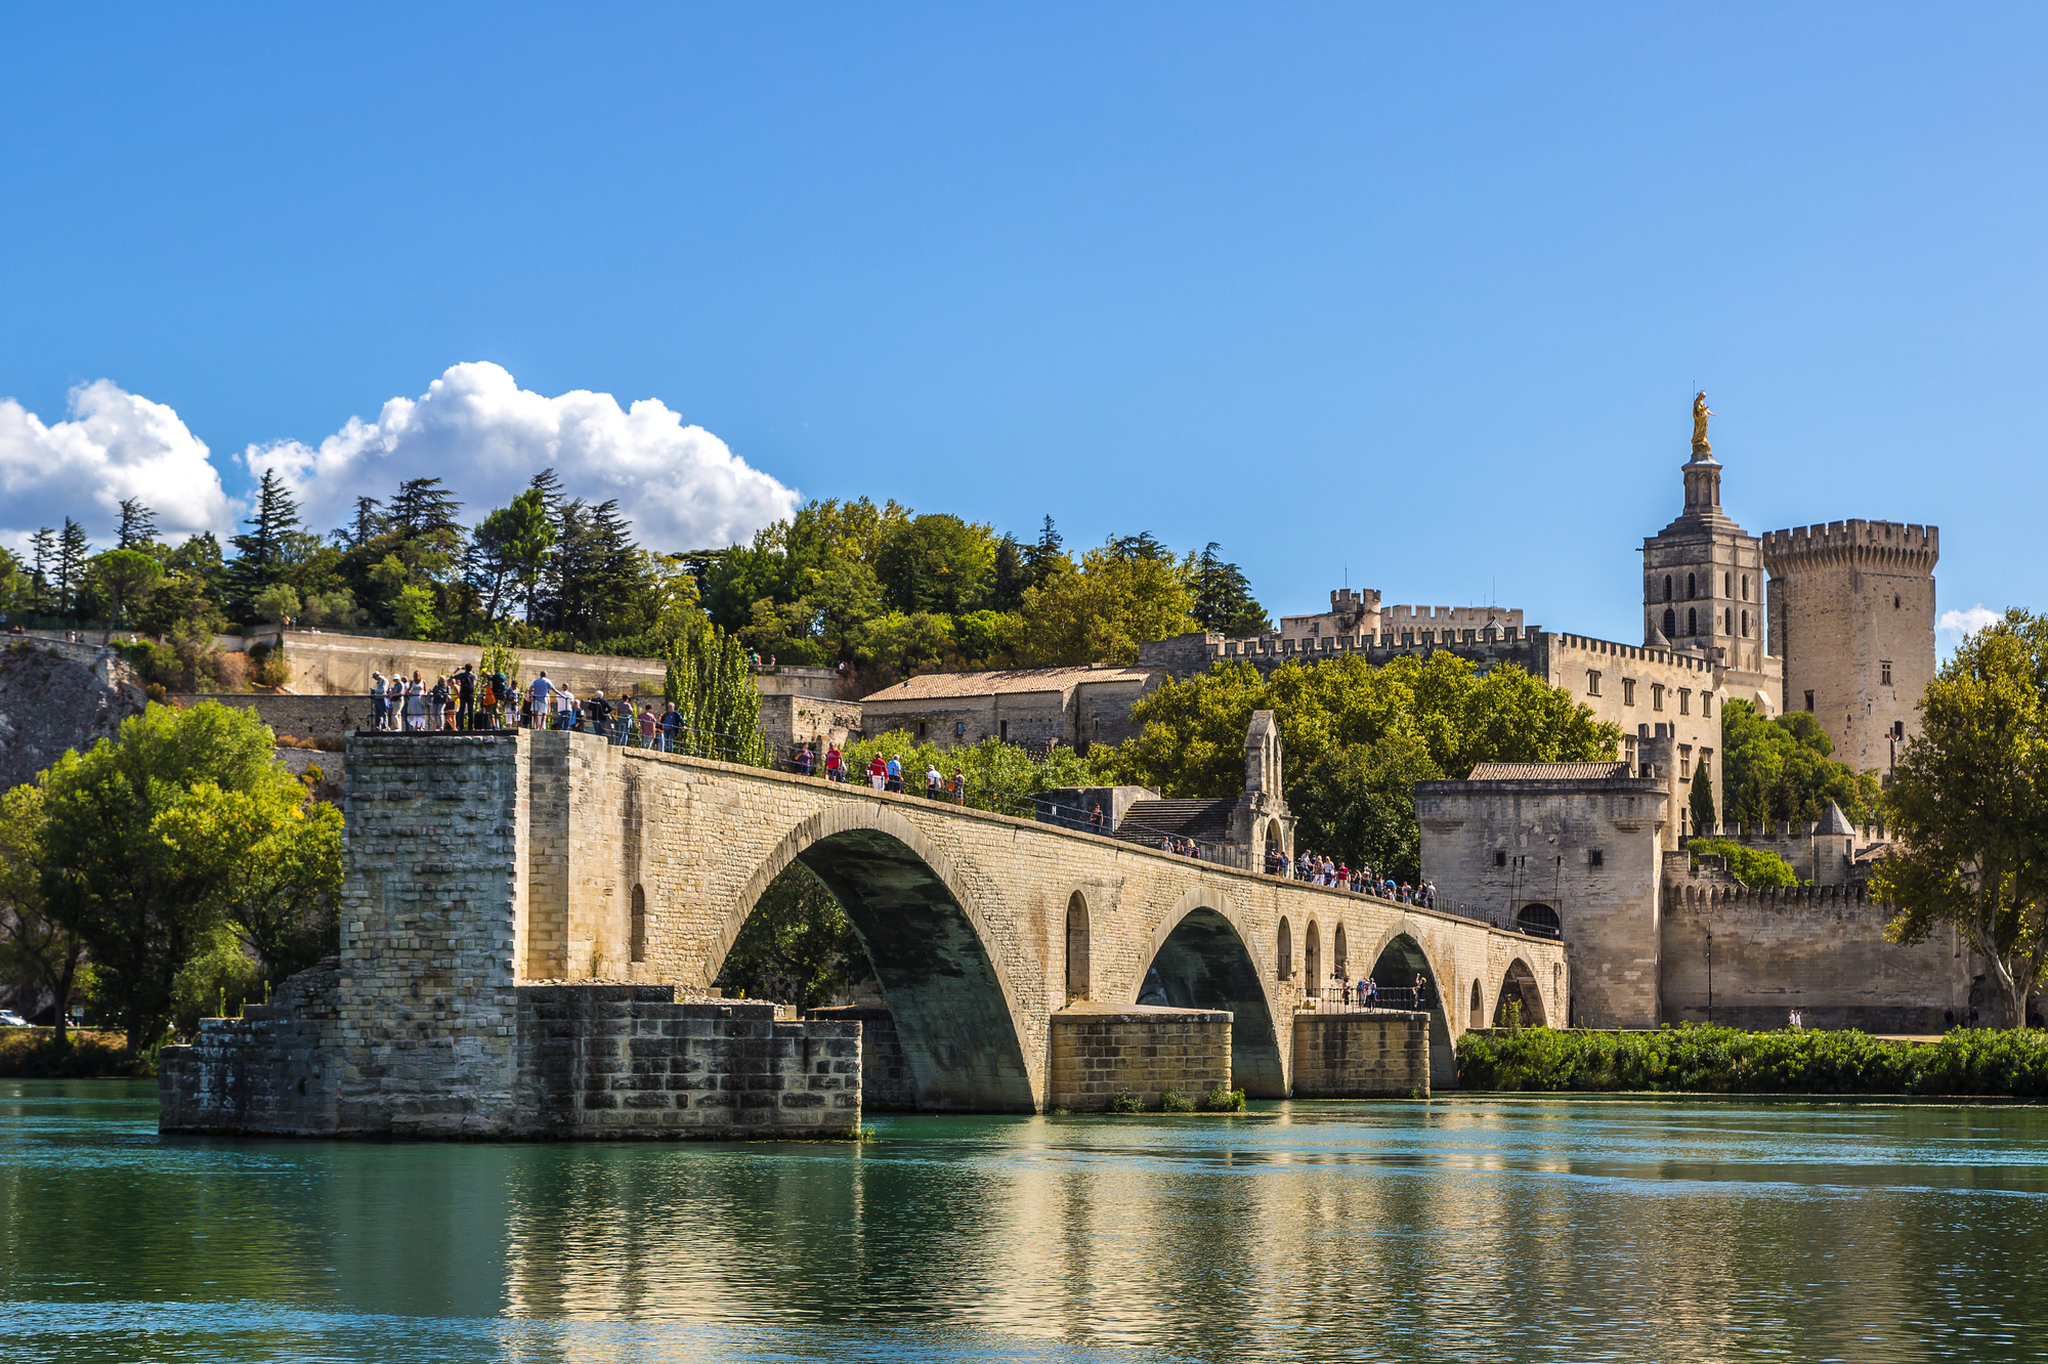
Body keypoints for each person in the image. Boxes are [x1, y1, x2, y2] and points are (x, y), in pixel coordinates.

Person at [456, 664, 475, 731]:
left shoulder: (461, 675)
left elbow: (451, 677)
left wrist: (457, 670)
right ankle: (470, 727)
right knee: (470, 711)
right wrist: (468, 670)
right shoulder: (472, 676)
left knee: (462, 710)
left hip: (463, 694)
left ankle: (461, 727)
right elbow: (475, 677)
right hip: (470, 695)